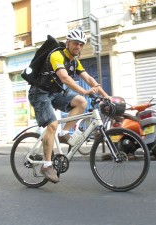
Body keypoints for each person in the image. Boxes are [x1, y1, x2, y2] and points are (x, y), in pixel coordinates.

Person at [28, 29, 110, 183]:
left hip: (55, 92)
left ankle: (64, 133)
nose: (78, 47)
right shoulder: (56, 55)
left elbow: (89, 78)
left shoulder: (74, 61)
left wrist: (107, 96)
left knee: (81, 102)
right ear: (68, 43)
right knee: (52, 125)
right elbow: (64, 78)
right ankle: (46, 165)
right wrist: (84, 90)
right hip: (39, 93)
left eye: (80, 44)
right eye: (75, 43)